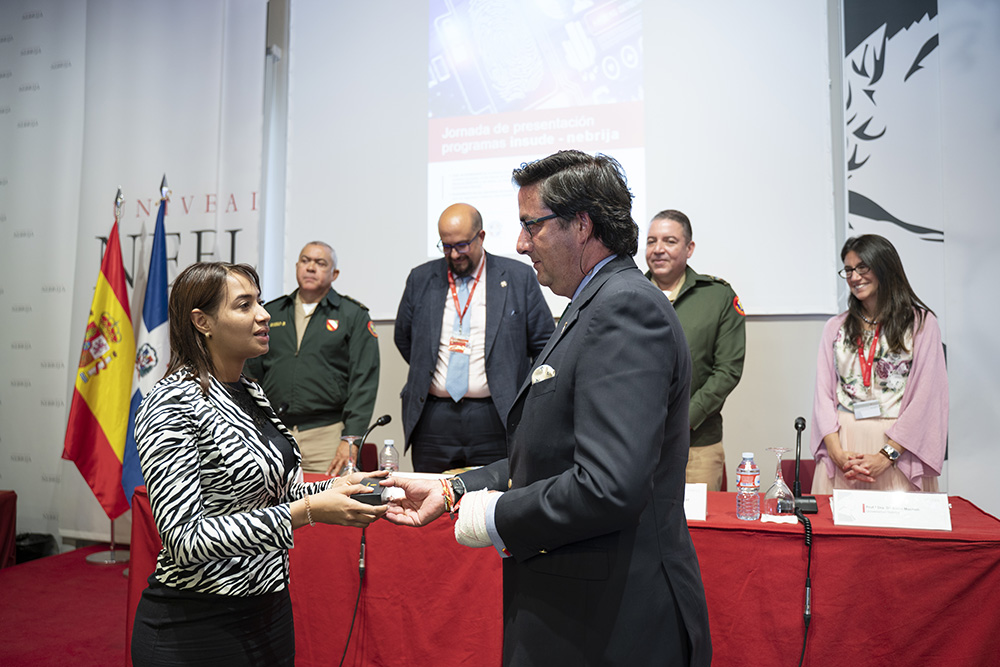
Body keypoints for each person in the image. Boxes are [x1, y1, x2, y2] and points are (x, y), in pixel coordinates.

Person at [386, 151, 711, 666]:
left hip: (613, 622)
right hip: (580, 610)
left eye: (530, 225)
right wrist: (453, 489)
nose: (520, 243)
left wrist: (492, 514)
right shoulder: (593, 303)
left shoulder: (623, 307)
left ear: (581, 225)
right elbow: (549, 449)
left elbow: (608, 486)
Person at [131, 262, 386, 666]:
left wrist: (334, 489)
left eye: (260, 302)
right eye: (244, 305)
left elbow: (272, 494)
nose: (264, 315)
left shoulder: (249, 390)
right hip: (196, 623)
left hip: (268, 610)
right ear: (202, 322)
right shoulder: (172, 401)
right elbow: (184, 539)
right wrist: (309, 511)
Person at [394, 203, 553, 472]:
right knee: (429, 494)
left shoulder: (518, 277)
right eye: (446, 246)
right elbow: (404, 338)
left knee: (494, 495)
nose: (454, 254)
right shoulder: (421, 279)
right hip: (433, 419)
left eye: (462, 245)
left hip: (495, 415)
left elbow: (543, 344)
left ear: (481, 237)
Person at [811, 234, 948, 492]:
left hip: (899, 449)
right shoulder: (835, 327)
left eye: (863, 267)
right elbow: (822, 397)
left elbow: (926, 398)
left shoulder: (920, 324)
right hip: (845, 449)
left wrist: (886, 456)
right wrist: (836, 453)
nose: (854, 277)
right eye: (848, 270)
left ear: (885, 267)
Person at [245, 242, 379, 475]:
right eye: (305, 261)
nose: (310, 267)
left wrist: (351, 439)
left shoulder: (352, 315)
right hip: (274, 432)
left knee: (329, 497)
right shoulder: (271, 312)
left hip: (326, 436)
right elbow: (250, 372)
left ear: (334, 273)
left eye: (320, 263)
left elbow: (363, 382)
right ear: (297, 266)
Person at [645, 209, 746, 491]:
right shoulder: (628, 294)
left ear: (689, 248)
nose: (658, 249)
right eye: (651, 241)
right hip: (637, 444)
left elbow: (727, 371)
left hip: (697, 445)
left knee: (698, 520)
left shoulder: (717, 296)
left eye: (669, 241)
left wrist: (684, 420)